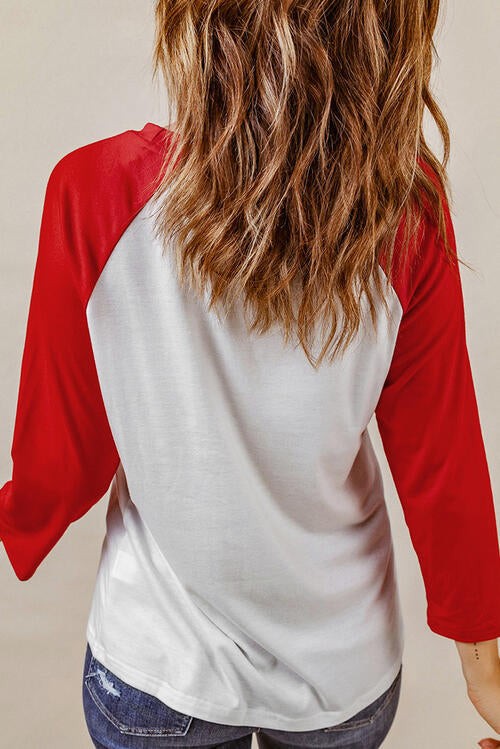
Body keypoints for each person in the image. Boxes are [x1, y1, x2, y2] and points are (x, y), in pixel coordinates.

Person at [1, 1, 500, 747]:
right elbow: (443, 468)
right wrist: (485, 672)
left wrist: (22, 518)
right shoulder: (404, 214)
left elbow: (65, 452)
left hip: (159, 664)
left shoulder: (93, 192)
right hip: (342, 669)